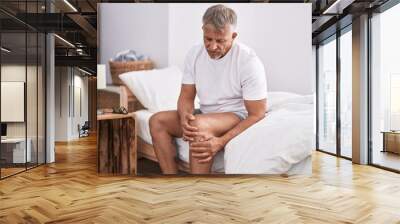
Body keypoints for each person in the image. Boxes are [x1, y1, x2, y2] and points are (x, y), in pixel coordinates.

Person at [149, 4, 267, 174]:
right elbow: (186, 96)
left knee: (198, 125)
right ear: (203, 30)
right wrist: (184, 117)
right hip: (205, 113)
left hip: (235, 115)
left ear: (233, 36)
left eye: (220, 41)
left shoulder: (248, 61)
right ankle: (171, 181)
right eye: (208, 39)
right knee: (157, 121)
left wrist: (220, 142)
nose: (212, 46)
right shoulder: (194, 54)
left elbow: (257, 114)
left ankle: (198, 192)